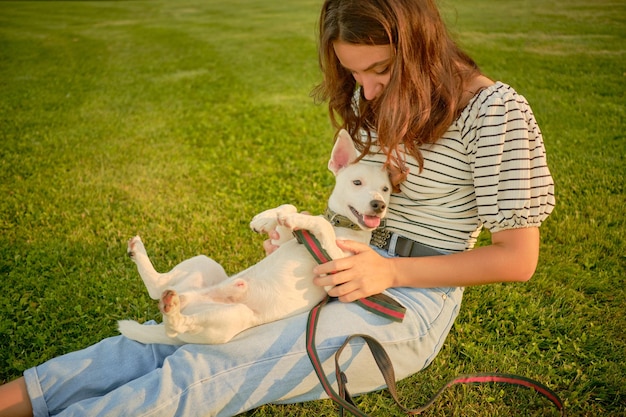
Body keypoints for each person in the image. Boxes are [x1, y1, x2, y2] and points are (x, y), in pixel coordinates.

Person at [0, 0, 555, 416]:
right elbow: (364, 200)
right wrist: (309, 244)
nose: (367, 90)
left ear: (423, 46)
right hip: (341, 259)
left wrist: (387, 269)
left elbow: (516, 260)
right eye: (354, 72)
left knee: (214, 362)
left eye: (381, 70)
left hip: (408, 296)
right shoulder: (372, 96)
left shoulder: (494, 112)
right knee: (179, 325)